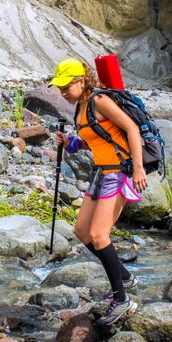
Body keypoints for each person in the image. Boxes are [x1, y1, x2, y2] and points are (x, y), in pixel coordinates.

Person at [51, 58, 148, 325]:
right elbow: (96, 141)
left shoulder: (99, 101)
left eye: (65, 86)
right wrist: (71, 142)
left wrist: (138, 168)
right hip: (101, 171)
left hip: (119, 171)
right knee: (82, 231)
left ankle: (121, 299)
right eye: (59, 88)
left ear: (81, 81)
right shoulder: (81, 107)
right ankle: (124, 276)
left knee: (98, 234)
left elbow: (132, 129)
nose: (62, 92)